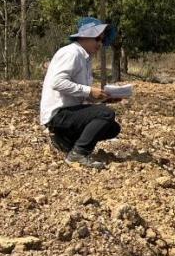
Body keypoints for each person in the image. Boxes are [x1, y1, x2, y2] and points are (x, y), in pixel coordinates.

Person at [40, 17, 122, 170]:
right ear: (84, 36)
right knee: (106, 114)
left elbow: (79, 94)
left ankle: (67, 141)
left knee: (113, 128)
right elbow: (57, 82)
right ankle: (78, 153)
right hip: (58, 114)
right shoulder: (72, 53)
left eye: (102, 40)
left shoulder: (84, 58)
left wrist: (103, 99)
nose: (100, 44)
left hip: (69, 113)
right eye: (97, 39)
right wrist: (89, 90)